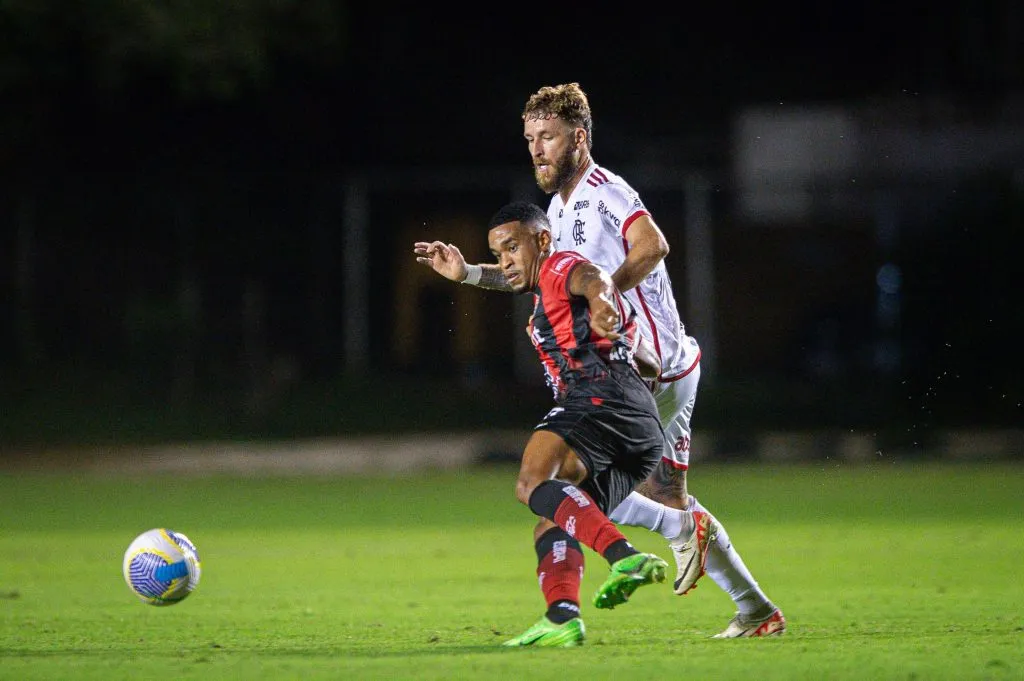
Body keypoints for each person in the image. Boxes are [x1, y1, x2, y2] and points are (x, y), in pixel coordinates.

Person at [414, 82, 784, 639]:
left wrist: (601, 291)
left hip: (643, 365)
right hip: (656, 367)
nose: (538, 149)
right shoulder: (554, 212)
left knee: (560, 489)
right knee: (620, 495)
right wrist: (469, 273)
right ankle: (756, 610)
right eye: (531, 138)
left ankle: (640, 557)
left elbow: (653, 245)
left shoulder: (603, 189)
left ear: (579, 139)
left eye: (549, 137)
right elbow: (534, 278)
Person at [460, 200, 671, 647]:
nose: (506, 262)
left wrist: (600, 300)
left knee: (531, 483)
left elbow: (592, 277)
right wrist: (466, 272)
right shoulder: (549, 295)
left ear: (542, 239)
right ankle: (562, 617)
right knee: (554, 522)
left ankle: (625, 556)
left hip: (596, 395)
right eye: (499, 253)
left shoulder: (559, 267)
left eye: (512, 248)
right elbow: (649, 363)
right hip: (641, 423)